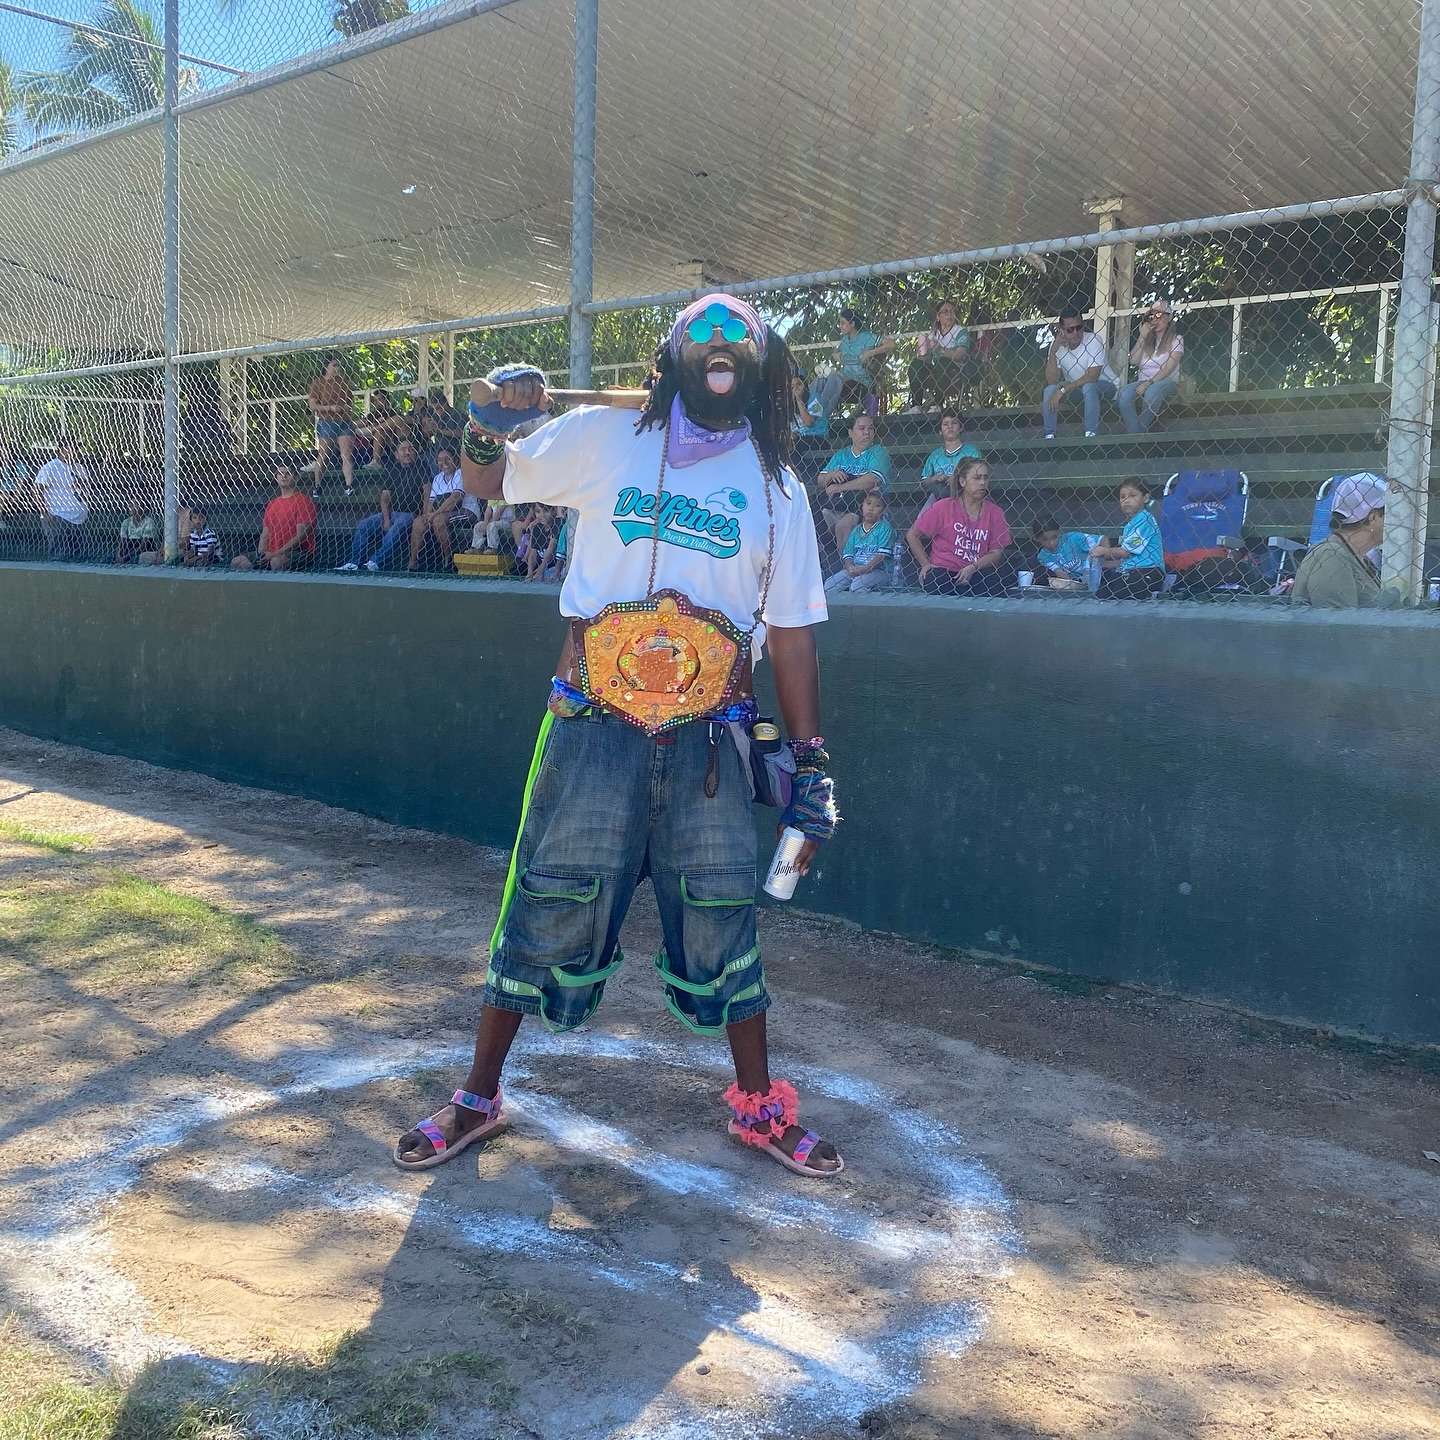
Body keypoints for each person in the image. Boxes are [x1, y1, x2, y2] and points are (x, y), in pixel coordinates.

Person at [391, 294, 841, 1180]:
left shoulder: (776, 487)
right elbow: (487, 480)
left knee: (723, 917)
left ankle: (758, 1106)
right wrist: (490, 421)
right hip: (593, 724)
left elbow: (791, 632)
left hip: (712, 742)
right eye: (701, 337)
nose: (719, 347)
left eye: (736, 339)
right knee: (544, 898)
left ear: (760, 366)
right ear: (671, 360)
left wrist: (812, 756)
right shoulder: (604, 437)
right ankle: (478, 1098)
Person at [906, 458, 1013, 595]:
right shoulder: (943, 507)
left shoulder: (995, 513)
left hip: (977, 571)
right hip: (944, 570)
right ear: (962, 481)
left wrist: (973, 567)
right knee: (935, 579)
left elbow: (996, 553)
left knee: (993, 581)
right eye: (976, 478)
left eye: (985, 478)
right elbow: (912, 535)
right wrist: (925, 564)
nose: (982, 483)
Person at [1291, 472, 1387, 608]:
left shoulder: (1356, 556)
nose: (1396, 521)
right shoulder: (1331, 556)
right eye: (1391, 514)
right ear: (1373, 517)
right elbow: (1335, 625)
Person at [337, 437, 430, 573]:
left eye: (410, 449)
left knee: (397, 526)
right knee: (363, 525)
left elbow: (427, 492)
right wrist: (386, 519)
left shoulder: (421, 467)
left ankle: (375, 562)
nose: (407, 452)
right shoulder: (392, 469)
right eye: (403, 449)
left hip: (411, 514)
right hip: (392, 513)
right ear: (396, 455)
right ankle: (354, 562)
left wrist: (424, 515)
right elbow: (385, 497)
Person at [815, 412, 892, 553]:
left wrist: (839, 487)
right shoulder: (841, 454)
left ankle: (843, 566)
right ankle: (827, 557)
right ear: (850, 433)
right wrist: (831, 475)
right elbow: (820, 479)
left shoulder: (878, 452)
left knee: (843, 526)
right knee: (814, 514)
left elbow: (871, 480)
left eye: (870, 429)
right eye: (862, 429)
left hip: (863, 504)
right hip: (836, 504)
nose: (867, 432)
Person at [1043, 308, 1120, 439]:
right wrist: (1053, 352)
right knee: (1049, 390)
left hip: (1105, 386)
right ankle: (1049, 435)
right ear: (1061, 330)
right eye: (1070, 330)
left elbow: (1092, 376)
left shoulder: (1093, 340)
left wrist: (1063, 390)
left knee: (1089, 387)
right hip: (1076, 390)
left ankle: (1090, 434)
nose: (1076, 333)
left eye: (1079, 327)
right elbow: (1052, 381)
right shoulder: (1057, 346)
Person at [230, 462, 318, 571]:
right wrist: (261, 554)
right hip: (271, 552)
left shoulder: (304, 501)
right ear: (276, 478)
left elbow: (301, 536)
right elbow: (265, 534)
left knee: (276, 562)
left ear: (296, 477)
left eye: (288, 473)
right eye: (280, 473)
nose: (284, 476)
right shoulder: (272, 504)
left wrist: (275, 553)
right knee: (237, 562)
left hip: (298, 552)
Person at [808, 309, 894, 420]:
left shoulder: (866, 337)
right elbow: (835, 353)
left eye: (843, 323)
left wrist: (870, 353)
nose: (840, 326)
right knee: (820, 379)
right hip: (843, 379)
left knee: (832, 377)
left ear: (852, 324)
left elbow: (891, 344)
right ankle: (812, 413)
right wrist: (837, 356)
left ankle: (818, 416)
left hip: (860, 381)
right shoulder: (844, 340)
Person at [1090, 478, 1166, 598]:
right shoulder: (1131, 524)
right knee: (1104, 590)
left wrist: (1104, 551)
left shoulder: (1144, 519)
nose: (1126, 500)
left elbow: (1125, 552)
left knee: (1118, 589)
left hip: (1149, 571)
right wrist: (1103, 564)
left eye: (1132, 496)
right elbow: (1129, 558)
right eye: (1122, 497)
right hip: (1132, 571)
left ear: (1145, 498)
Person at [1118, 299, 1185, 433]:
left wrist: (1149, 383)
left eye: (1159, 315)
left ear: (1169, 317)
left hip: (1166, 381)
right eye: (1151, 316)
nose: (1155, 319)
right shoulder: (1147, 340)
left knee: (1152, 392)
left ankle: (1137, 434)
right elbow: (1134, 361)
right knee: (1123, 394)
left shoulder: (1177, 339)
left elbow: (1169, 368)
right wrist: (1142, 337)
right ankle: (1137, 434)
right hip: (1143, 381)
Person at [405, 446, 475, 571]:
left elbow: (454, 499)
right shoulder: (438, 478)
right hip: (443, 513)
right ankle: (413, 561)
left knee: (438, 520)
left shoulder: (462, 473)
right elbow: (431, 501)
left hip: (467, 511)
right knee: (418, 522)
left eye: (448, 459)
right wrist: (427, 515)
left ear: (456, 460)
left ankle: (448, 559)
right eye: (440, 460)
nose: (444, 463)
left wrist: (434, 514)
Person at [905, 299, 978, 412]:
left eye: (952, 311)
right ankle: (915, 406)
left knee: (943, 361)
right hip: (935, 369)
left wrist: (941, 350)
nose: (949, 314)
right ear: (938, 317)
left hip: (954, 369)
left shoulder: (960, 331)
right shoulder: (934, 333)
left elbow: (960, 354)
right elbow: (926, 358)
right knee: (916, 364)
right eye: (945, 311)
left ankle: (938, 404)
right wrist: (923, 352)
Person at [824, 490, 898, 593]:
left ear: (884, 510)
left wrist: (865, 569)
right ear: (862, 506)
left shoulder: (885, 528)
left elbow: (881, 556)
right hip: (856, 569)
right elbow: (848, 554)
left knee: (857, 585)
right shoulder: (856, 530)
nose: (871, 509)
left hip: (879, 571)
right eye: (868, 503)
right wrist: (850, 567)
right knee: (829, 585)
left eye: (877, 506)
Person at [33, 436, 90, 561]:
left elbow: (87, 490)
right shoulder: (51, 467)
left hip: (79, 518)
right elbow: (37, 491)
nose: (76, 450)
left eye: (77, 448)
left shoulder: (80, 468)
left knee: (78, 557)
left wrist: (81, 485)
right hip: (58, 516)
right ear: (61, 449)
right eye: (72, 447)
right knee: (59, 556)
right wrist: (44, 513)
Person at [307, 354, 357, 496]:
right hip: (327, 421)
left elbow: (349, 402)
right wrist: (330, 408)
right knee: (324, 454)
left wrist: (345, 408)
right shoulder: (318, 383)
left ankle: (349, 485)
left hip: (344, 421)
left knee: (346, 454)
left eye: (338, 365)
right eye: (334, 365)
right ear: (326, 367)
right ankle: (317, 485)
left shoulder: (343, 382)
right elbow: (312, 405)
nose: (337, 368)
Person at [918, 409, 983, 506]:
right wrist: (935, 478)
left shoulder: (972, 452)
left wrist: (956, 478)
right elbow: (924, 482)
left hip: (965, 495)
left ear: (961, 428)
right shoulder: (935, 455)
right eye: (945, 424)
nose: (950, 426)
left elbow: (979, 476)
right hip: (938, 497)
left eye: (954, 423)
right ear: (940, 431)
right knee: (921, 518)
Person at [1031, 517, 1100, 589]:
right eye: (1045, 539)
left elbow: (1102, 539)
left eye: (1054, 537)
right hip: (1077, 584)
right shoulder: (1043, 556)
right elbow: (1060, 573)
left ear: (1059, 532)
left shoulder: (1073, 538)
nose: (1051, 543)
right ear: (1036, 539)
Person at [115, 500, 160, 565]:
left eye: (134, 504)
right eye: (130, 504)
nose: (130, 506)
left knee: (136, 559)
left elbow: (143, 546)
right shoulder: (126, 522)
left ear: (143, 508)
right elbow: (122, 542)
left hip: (142, 549)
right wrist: (118, 555)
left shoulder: (149, 522)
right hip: (128, 548)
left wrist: (125, 558)